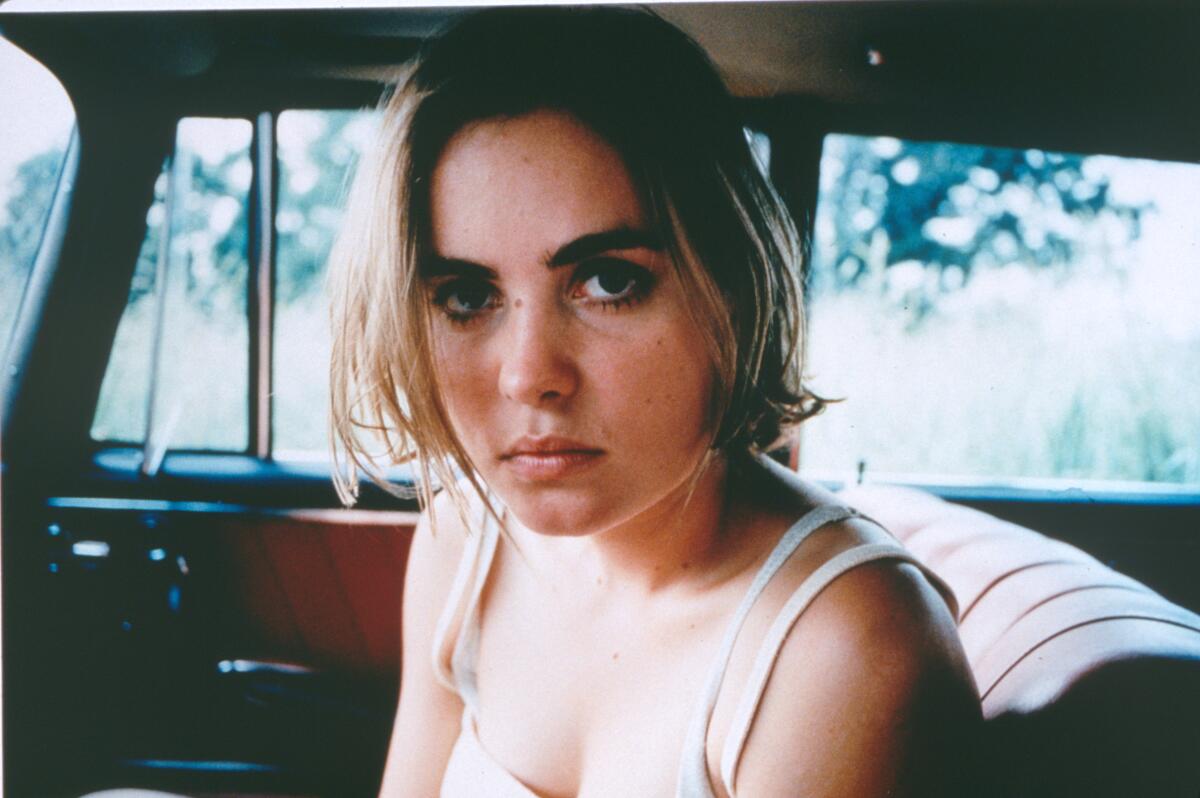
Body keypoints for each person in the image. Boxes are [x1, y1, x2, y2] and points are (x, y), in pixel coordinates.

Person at [328, 8, 981, 797]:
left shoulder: (847, 646)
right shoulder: (463, 537)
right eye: (466, 295)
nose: (527, 374)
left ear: (730, 292)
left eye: (607, 281)